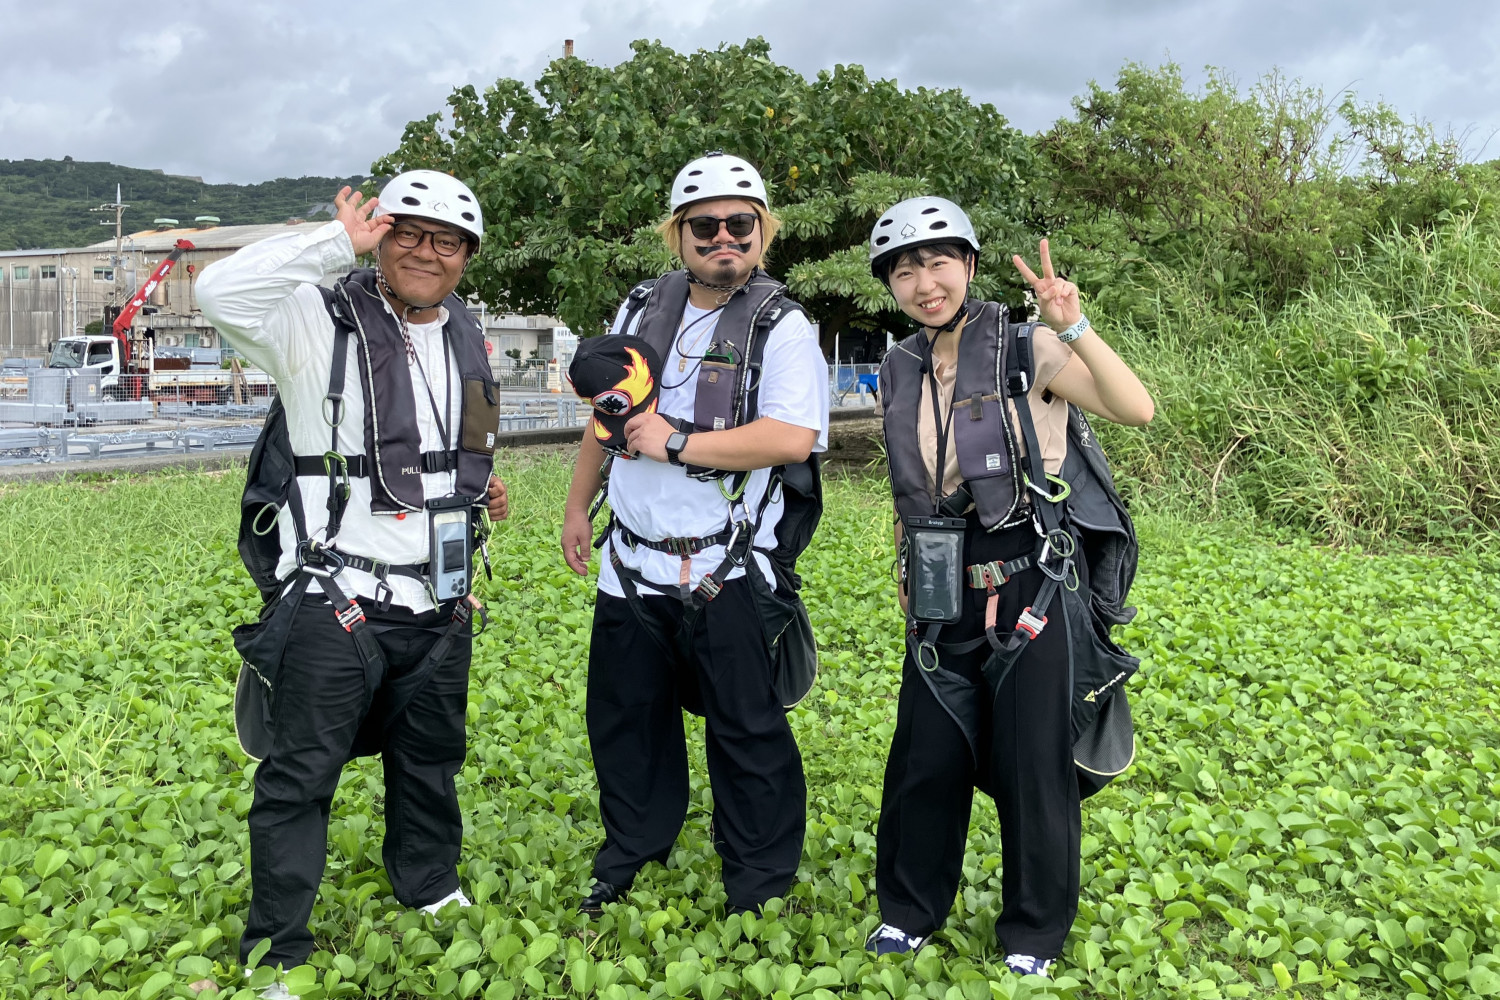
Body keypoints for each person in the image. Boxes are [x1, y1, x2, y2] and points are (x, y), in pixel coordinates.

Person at [197, 170, 509, 980]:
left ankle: (429, 881)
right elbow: (218, 289)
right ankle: (278, 948)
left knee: (432, 756)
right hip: (337, 593)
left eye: (447, 241)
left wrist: (476, 490)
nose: (425, 252)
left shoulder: (470, 335)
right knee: (299, 776)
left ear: (466, 257)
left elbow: (455, 446)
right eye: (408, 231)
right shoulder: (314, 321)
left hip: (440, 598)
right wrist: (337, 242)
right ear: (383, 236)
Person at [864, 197, 1154, 975]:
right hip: (938, 577)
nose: (924, 282)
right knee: (925, 754)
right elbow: (911, 485)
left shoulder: (1028, 349)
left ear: (967, 265)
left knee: (1034, 762)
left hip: (1030, 574)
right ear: (889, 285)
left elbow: (1137, 409)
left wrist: (1073, 324)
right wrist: (904, 561)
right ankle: (910, 908)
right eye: (904, 270)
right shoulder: (898, 368)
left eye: (937, 262)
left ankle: (1033, 931)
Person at [559, 152, 829, 916]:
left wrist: (674, 442)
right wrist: (579, 505)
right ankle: (631, 847)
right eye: (703, 225)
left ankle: (757, 880)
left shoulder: (782, 324)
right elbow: (608, 416)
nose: (723, 238)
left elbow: (789, 436)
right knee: (626, 721)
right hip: (631, 561)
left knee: (747, 731)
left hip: (726, 564)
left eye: (739, 224)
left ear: (762, 232)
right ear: (676, 235)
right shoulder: (642, 307)